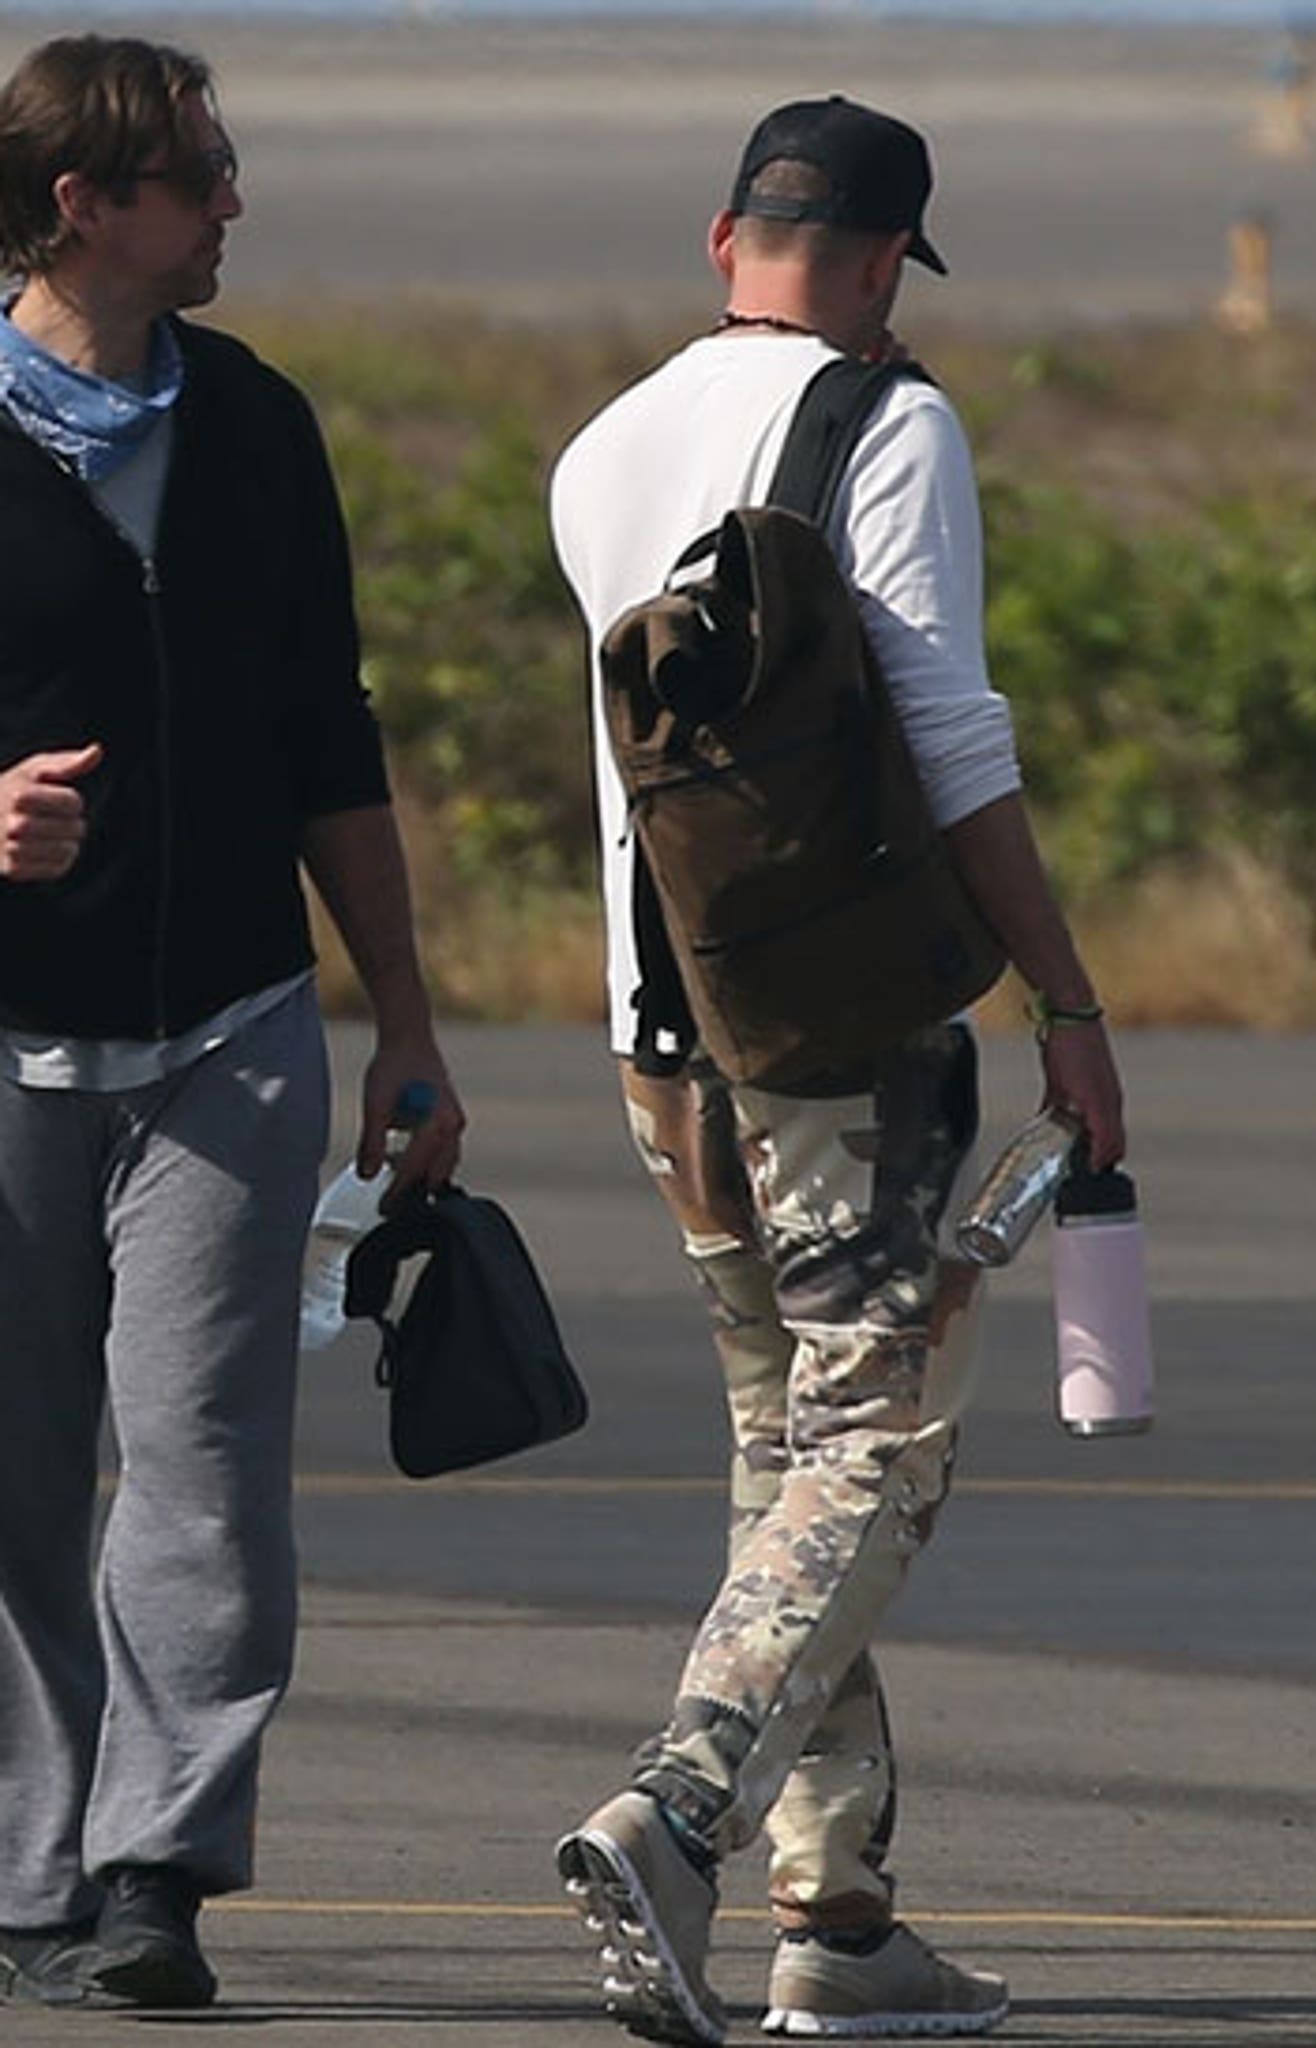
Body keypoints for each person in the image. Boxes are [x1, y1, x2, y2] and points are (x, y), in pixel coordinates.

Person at [549, 96, 1123, 2045]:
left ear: (727, 239)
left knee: (776, 1457)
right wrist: (1065, 999)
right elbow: (949, 729)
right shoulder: (896, 422)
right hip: (845, 1055)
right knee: (873, 1450)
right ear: (882, 263)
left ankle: (843, 1917)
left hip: (661, 1040)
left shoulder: (603, 444)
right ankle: (682, 1804)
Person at [0, 35, 463, 2012]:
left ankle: (154, 1870)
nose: (232, 205)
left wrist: (409, 1025)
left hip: (234, 1027)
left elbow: (328, 739)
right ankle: (30, 1863)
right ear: (84, 204)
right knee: (18, 1472)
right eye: (199, 177)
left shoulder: (260, 423)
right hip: (10, 1038)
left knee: (200, 1456)